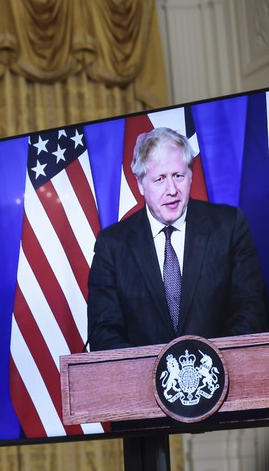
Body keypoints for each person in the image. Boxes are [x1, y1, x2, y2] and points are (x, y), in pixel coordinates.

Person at [87, 126, 267, 352]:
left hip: (221, 376)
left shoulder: (229, 226)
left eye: (178, 176)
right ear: (141, 184)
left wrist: (210, 367)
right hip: (144, 383)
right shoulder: (112, 245)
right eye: (160, 179)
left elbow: (251, 311)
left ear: (190, 176)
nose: (171, 190)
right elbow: (104, 333)